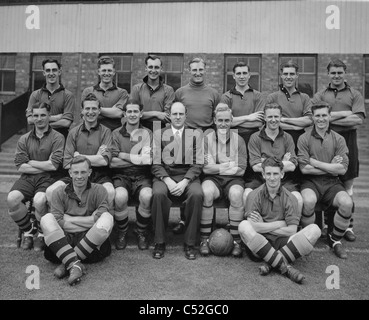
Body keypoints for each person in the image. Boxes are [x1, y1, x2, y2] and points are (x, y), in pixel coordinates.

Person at [238, 157, 321, 284]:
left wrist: (263, 224)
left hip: (283, 242)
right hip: (260, 241)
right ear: (263, 174)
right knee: (243, 226)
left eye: (275, 173)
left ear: (282, 174)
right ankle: (286, 267)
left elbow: (292, 230)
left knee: (315, 230)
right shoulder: (253, 195)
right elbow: (253, 228)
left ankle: (271, 263)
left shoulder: (290, 198)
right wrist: (279, 223)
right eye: (269, 174)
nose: (272, 178)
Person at [312, 59, 366, 241]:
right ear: (328, 74)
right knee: (328, 182)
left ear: (345, 73)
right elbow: (316, 118)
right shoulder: (320, 95)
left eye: (339, 72)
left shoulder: (354, 94)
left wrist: (329, 118)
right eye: (333, 73)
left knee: (348, 184)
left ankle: (348, 227)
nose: (336, 76)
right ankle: (329, 225)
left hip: (349, 142)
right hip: (325, 142)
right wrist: (345, 113)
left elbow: (358, 120)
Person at [40, 156, 114, 286]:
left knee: (108, 217)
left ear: (90, 172)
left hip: (91, 246)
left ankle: (67, 263)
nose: (79, 176)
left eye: (83, 172)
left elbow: (100, 217)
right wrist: (91, 221)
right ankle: (76, 265)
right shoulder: (59, 192)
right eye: (76, 172)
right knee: (46, 218)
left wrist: (69, 220)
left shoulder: (99, 190)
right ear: (70, 173)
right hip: (64, 241)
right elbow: (58, 221)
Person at [297, 101, 353, 259]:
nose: (321, 119)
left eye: (324, 115)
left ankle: (335, 240)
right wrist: (330, 166)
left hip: (332, 183)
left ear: (329, 116)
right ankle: (309, 238)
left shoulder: (339, 139)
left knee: (347, 203)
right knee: (308, 201)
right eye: (317, 116)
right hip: (310, 182)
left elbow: (342, 169)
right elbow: (304, 169)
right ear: (312, 118)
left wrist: (314, 162)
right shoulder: (303, 138)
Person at [7, 102, 64, 252]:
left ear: (49, 116)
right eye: (36, 115)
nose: (39, 119)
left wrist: (30, 161)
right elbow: (20, 166)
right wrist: (43, 163)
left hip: (48, 178)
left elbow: (54, 166)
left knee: (39, 201)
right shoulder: (24, 139)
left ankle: (41, 233)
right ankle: (29, 230)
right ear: (31, 117)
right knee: (12, 199)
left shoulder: (58, 137)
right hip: (27, 178)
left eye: (43, 115)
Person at [151, 102, 203, 260]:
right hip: (165, 175)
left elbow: (198, 163)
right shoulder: (159, 134)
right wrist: (167, 180)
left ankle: (190, 243)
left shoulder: (195, 134)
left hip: (187, 175)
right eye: (175, 114)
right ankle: (159, 242)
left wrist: (185, 181)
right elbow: (155, 163)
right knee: (158, 194)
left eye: (181, 114)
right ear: (170, 115)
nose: (178, 117)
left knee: (197, 194)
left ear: (186, 115)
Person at [173, 57, 220, 234]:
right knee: (187, 176)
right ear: (189, 71)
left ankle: (206, 223)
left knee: (203, 178)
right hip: (185, 138)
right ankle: (184, 220)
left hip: (206, 138)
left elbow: (217, 118)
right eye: (194, 70)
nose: (198, 73)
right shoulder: (180, 92)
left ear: (205, 70)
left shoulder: (214, 93)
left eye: (201, 70)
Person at [46, 93, 115, 212]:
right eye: (87, 108)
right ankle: (60, 224)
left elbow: (104, 161)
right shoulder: (73, 133)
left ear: (99, 111)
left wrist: (79, 156)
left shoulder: (106, 132)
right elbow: (67, 163)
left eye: (94, 108)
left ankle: (103, 227)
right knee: (50, 191)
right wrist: (96, 157)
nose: (90, 112)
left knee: (110, 192)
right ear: (82, 111)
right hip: (75, 175)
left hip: (99, 176)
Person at [199, 104, 247, 258]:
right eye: (220, 120)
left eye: (227, 120)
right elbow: (206, 169)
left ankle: (236, 241)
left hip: (234, 180)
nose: (223, 123)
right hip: (212, 179)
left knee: (236, 195)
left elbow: (241, 169)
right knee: (206, 192)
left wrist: (217, 166)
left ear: (232, 120)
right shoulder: (207, 140)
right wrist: (228, 165)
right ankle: (204, 240)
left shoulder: (238, 140)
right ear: (214, 120)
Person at [220, 61, 265, 214]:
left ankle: (251, 214)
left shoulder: (258, 95)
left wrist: (236, 120)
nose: (241, 76)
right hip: (232, 140)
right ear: (233, 76)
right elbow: (224, 122)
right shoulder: (226, 97)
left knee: (251, 179)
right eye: (238, 73)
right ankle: (235, 215)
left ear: (249, 75)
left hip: (253, 139)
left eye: (244, 73)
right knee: (236, 179)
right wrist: (249, 117)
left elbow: (259, 121)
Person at [246, 103, 303, 216]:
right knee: (246, 194)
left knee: (298, 199)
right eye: (270, 117)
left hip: (284, 180)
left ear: (280, 117)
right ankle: (251, 227)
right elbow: (255, 166)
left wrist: (264, 161)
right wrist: (282, 162)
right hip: (260, 179)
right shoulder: (255, 137)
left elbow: (292, 166)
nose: (273, 120)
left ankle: (292, 229)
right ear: (265, 118)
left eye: (276, 116)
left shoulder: (287, 137)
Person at [110, 101, 153, 250]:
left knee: (147, 196)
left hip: (142, 176)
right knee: (119, 197)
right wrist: (137, 159)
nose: (133, 115)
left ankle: (141, 231)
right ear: (124, 114)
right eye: (130, 112)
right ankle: (122, 232)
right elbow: (112, 163)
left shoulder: (147, 133)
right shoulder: (115, 133)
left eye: (136, 111)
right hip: (121, 176)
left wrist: (122, 154)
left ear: (141, 113)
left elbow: (147, 161)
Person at [266, 60, 312, 150]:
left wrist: (284, 119)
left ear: (296, 75)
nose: (288, 77)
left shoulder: (304, 97)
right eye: (285, 74)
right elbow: (270, 122)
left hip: (300, 140)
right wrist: (295, 127)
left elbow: (309, 120)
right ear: (281, 75)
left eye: (291, 74)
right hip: (278, 139)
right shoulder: (272, 97)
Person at [26, 58, 75, 139]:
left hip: (61, 139)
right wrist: (55, 118)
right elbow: (30, 120)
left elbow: (66, 122)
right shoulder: (35, 95)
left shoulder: (68, 95)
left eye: (54, 70)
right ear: (44, 73)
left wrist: (42, 124)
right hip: (38, 139)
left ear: (59, 72)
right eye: (48, 70)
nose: (51, 73)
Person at [81, 55, 129, 131]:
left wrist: (95, 109)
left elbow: (118, 113)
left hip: (114, 134)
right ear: (98, 72)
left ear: (114, 72)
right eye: (104, 70)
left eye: (109, 70)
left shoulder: (122, 93)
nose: (106, 73)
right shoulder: (88, 91)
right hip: (93, 133)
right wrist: (110, 111)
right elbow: (85, 115)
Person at [130, 54, 175, 131]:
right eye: (150, 67)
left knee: (158, 143)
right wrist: (156, 114)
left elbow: (167, 117)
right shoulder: (136, 89)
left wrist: (143, 114)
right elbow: (132, 114)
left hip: (160, 128)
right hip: (140, 127)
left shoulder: (169, 90)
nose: (153, 70)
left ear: (161, 69)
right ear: (146, 68)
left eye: (156, 67)